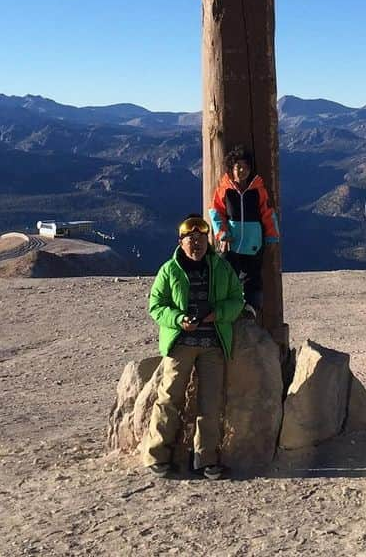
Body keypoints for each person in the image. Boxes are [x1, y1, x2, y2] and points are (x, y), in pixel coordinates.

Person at [143, 212, 244, 480]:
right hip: (180, 344)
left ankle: (207, 459)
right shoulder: (169, 270)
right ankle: (157, 455)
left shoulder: (221, 268)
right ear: (181, 241)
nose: (196, 244)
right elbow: (155, 306)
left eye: (201, 239)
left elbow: (237, 300)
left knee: (211, 403)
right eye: (191, 239)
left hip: (213, 344)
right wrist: (177, 319)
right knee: (169, 398)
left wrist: (218, 313)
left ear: (207, 241)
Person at [208, 145, 280, 314]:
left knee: (252, 277)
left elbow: (268, 214)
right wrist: (222, 232)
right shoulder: (224, 189)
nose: (242, 170)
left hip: (253, 242)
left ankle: (251, 308)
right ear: (231, 168)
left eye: (246, 167)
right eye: (238, 166)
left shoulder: (257, 190)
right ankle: (224, 306)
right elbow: (216, 211)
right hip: (230, 242)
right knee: (226, 274)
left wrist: (272, 236)